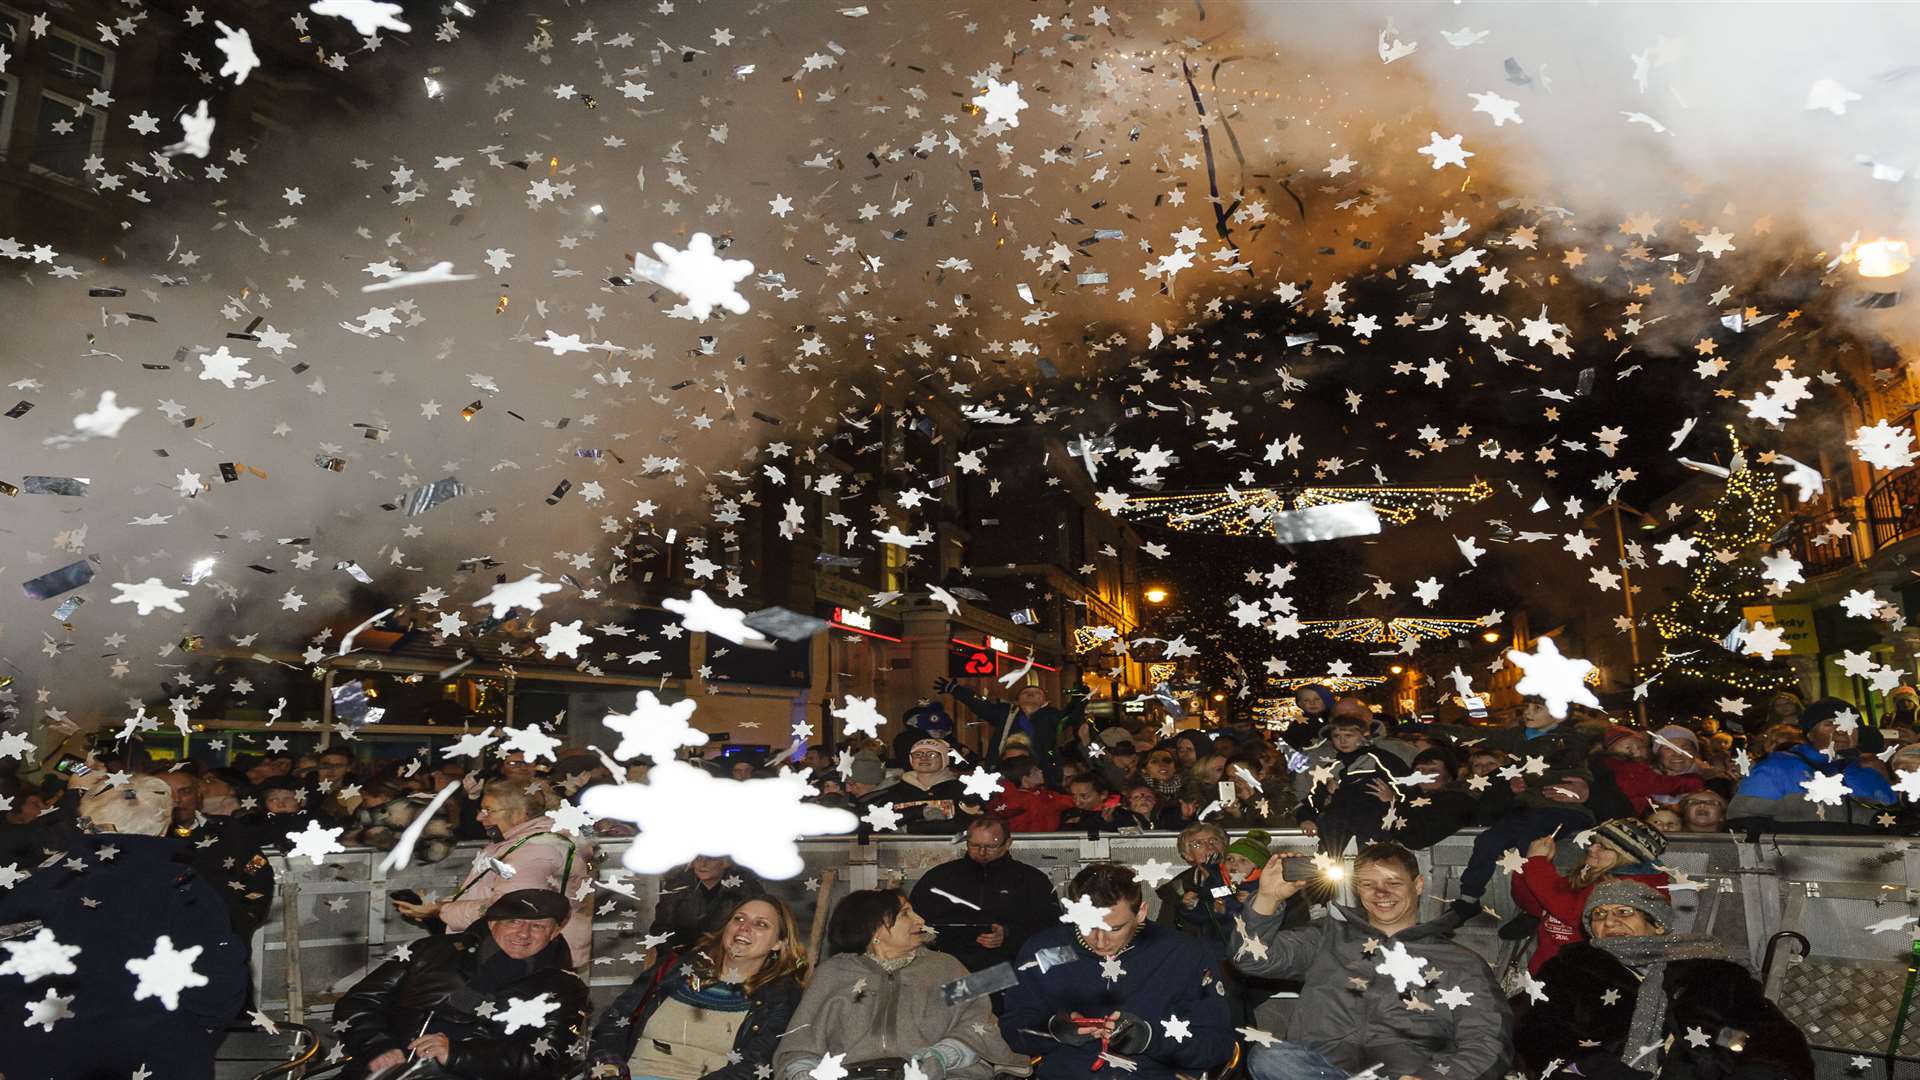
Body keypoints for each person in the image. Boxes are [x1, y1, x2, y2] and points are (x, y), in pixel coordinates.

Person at [0, 774, 248, 1079]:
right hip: (152, 1054)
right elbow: (219, 981)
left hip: (40, 1055)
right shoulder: (181, 887)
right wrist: (189, 1035)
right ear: (163, 825)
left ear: (86, 821)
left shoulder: (35, 884)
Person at [1230, 842, 1513, 1080]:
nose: (1381, 893)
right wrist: (1267, 898)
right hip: (1320, 1070)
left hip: (1406, 1074)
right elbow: (1250, 960)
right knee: (1269, 1057)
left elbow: (1489, 1042)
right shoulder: (1326, 938)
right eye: (1368, 884)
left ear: (1418, 885)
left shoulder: (1459, 962)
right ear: (1357, 889)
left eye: (1393, 883)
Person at [1516, 880, 1813, 1080]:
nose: (1608, 922)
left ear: (1657, 924)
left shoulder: (1712, 968)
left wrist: (1751, 1065)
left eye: (1623, 912)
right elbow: (1534, 1028)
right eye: (1598, 916)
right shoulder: (1570, 968)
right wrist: (1584, 1064)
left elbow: (1766, 1032)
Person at [1001, 863, 1235, 1080]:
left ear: (1141, 912)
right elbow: (1013, 1029)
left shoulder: (1184, 954)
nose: (1100, 941)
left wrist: (1152, 1038)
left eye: (1114, 928)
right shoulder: (1045, 951)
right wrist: (1052, 1029)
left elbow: (1217, 1046)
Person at [336, 889, 589, 1079]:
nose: (523, 934)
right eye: (514, 921)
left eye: (538, 926)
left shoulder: (563, 987)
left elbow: (549, 1058)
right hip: (387, 1066)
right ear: (492, 924)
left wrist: (456, 1054)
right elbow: (358, 1002)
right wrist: (378, 1045)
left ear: (555, 932)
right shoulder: (431, 951)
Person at [775, 890, 1024, 1080]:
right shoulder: (832, 974)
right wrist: (804, 1075)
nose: (920, 920)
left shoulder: (945, 967)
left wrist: (941, 1057)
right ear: (873, 930)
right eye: (905, 914)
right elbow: (800, 1047)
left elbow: (980, 1022)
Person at [587, 896, 807, 1080]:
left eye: (761, 924)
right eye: (738, 918)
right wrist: (608, 1065)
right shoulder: (676, 968)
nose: (745, 927)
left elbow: (754, 1064)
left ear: (779, 943)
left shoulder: (781, 995)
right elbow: (615, 1019)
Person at [393, 778, 596, 966]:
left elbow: (509, 909)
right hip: (533, 953)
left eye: (488, 810)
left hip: (525, 956)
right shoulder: (525, 844)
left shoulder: (535, 852)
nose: (479, 816)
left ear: (519, 813)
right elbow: (496, 893)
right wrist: (437, 907)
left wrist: (440, 911)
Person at [1513, 817, 1672, 972]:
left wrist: (1537, 864)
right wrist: (1526, 868)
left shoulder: (1634, 888)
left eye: (1602, 847)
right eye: (1593, 842)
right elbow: (1533, 905)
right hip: (1549, 971)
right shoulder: (1588, 875)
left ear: (1627, 857)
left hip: (1589, 978)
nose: (1591, 848)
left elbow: (1573, 913)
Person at [910, 816, 1062, 977]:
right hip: (947, 968)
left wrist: (1008, 934)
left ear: (1008, 843)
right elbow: (914, 921)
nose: (982, 853)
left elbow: (1051, 928)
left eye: (991, 847)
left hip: (1010, 970)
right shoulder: (939, 878)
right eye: (974, 845)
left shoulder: (1031, 880)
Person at [1728, 697, 1897, 834]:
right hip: (1800, 869)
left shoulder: (1867, 771)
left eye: (1849, 723)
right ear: (1810, 734)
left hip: (1861, 869)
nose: (1841, 730)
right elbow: (1742, 821)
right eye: (1830, 723)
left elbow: (1891, 822)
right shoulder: (1778, 767)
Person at [159, 768, 276, 935]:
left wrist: (248, 913)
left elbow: (256, 865)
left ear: (198, 794)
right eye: (166, 793)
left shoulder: (229, 829)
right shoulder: (144, 837)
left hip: (226, 936)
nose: (177, 800)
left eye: (185, 791)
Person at [1296, 707, 1409, 855]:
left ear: (1364, 735)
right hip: (1337, 829)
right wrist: (1305, 818)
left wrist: (1393, 797)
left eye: (1349, 735)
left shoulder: (1381, 760)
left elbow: (1410, 789)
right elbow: (1313, 798)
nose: (1342, 741)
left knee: (1372, 863)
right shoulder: (1332, 768)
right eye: (1336, 736)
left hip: (1374, 826)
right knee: (1326, 863)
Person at [935, 675, 1089, 776]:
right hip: (1003, 769)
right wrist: (956, 690)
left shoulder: (1052, 716)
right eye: (1026, 692)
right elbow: (980, 706)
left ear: (1045, 702)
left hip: (1038, 771)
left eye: (1036, 693)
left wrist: (1079, 699)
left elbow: (1071, 717)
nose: (1030, 694)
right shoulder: (1005, 713)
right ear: (1017, 700)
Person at [868, 737, 985, 835]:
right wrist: (918, 812)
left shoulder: (962, 791)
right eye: (918, 754)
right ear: (911, 759)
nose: (924, 758)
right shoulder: (895, 790)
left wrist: (910, 828)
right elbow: (876, 824)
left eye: (932, 754)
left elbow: (971, 824)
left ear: (944, 759)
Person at [648, 854, 768, 948]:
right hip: (683, 958)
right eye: (698, 858)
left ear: (725, 862)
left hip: (732, 955)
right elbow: (662, 927)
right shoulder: (677, 885)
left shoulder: (747, 887)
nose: (702, 864)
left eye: (711, 859)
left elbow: (758, 929)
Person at [988, 756, 1073, 832]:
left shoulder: (1040, 794)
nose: (1041, 771)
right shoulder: (1019, 802)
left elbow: (1063, 801)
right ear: (1025, 779)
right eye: (1035, 770)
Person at [1057, 774, 1151, 835]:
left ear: (1103, 795)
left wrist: (1111, 823)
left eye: (1084, 796)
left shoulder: (1121, 814)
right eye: (1074, 796)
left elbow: (1134, 841)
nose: (1078, 802)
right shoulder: (1069, 814)